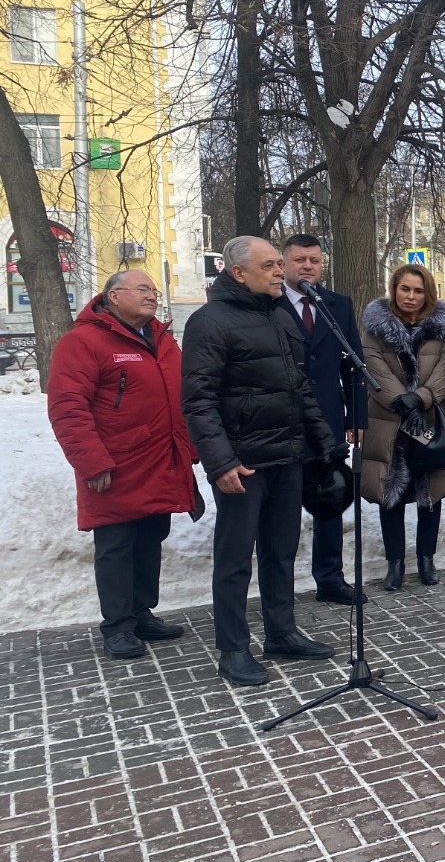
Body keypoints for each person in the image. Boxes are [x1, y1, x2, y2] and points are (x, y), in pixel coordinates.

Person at [180, 236, 340, 686]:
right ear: (238, 273)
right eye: (269, 265)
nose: (279, 272)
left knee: (281, 552)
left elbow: (300, 388)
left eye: (278, 265)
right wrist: (220, 462)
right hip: (242, 464)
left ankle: (282, 633)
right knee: (235, 560)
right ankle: (233, 649)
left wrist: (323, 442)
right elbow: (198, 401)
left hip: (287, 456)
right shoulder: (209, 321)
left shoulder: (280, 316)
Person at [47, 271, 196, 659]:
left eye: (154, 290)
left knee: (151, 536)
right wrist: (91, 462)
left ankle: (141, 612)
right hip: (114, 465)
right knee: (116, 544)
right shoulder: (82, 342)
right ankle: (117, 625)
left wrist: (191, 450)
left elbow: (182, 399)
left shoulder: (162, 340)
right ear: (113, 296)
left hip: (160, 459)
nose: (153, 296)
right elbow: (67, 407)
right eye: (143, 289)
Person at [359, 263, 445, 589]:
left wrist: (421, 398)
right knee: (390, 493)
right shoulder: (375, 328)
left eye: (418, 290)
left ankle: (426, 559)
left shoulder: (444, 328)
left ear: (427, 292)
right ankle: (395, 564)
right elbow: (373, 369)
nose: (411, 296)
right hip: (388, 419)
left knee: (430, 491)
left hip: (432, 417)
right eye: (405, 289)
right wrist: (402, 401)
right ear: (394, 289)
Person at [279, 233, 367, 606]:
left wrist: (357, 415)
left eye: (314, 260)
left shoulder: (337, 305)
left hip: (328, 422)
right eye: (300, 260)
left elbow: (354, 366)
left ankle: (330, 578)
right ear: (284, 264)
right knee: (283, 507)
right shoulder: (268, 304)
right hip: (282, 423)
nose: (308, 267)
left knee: (330, 499)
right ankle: (279, 587)